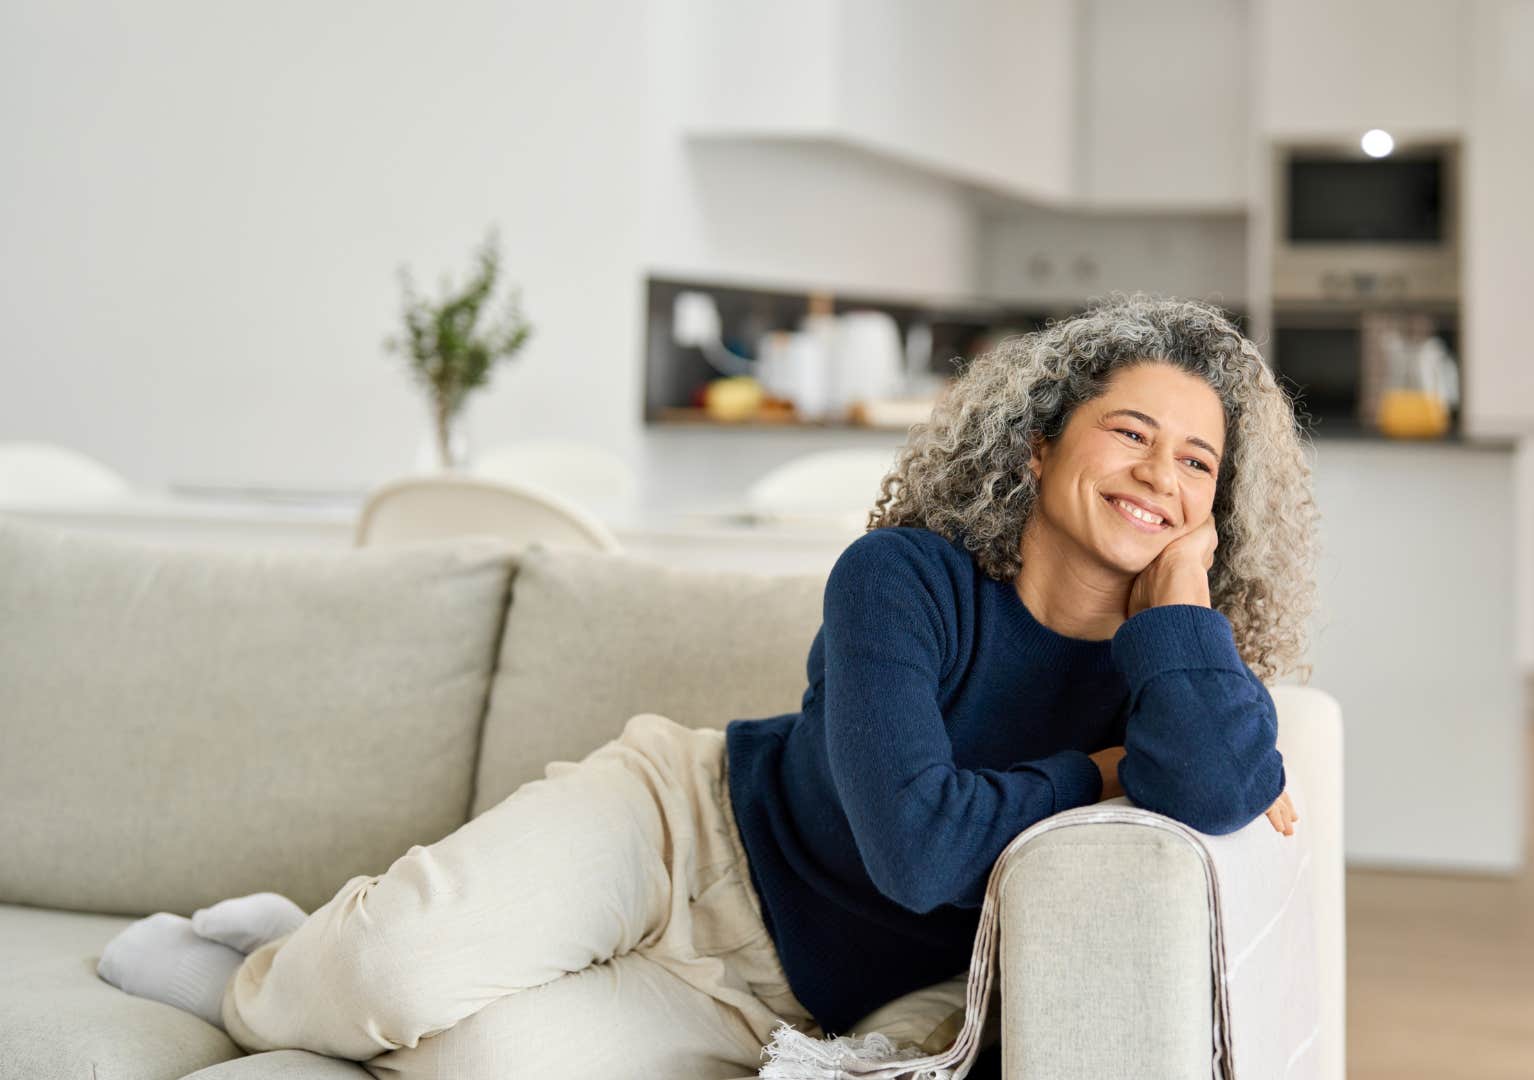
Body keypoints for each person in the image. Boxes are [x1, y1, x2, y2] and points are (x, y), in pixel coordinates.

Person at [95, 294, 1317, 1078]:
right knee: (390, 980)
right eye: (1130, 432)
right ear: (1042, 444)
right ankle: (269, 971)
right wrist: (1094, 775)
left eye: (1198, 460)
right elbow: (919, 850)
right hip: (691, 834)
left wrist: (1185, 606)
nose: (1161, 472)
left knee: (473, 1065)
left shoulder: (1180, 651)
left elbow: (1213, 780)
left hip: (794, 1004)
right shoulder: (902, 579)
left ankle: (340, 951)